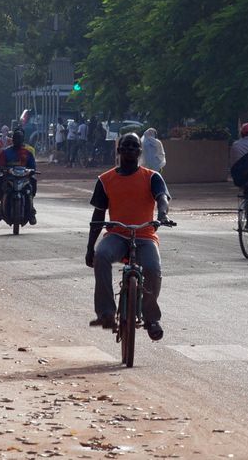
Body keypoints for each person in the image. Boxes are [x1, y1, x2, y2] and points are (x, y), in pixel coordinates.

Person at [85, 132, 171, 340]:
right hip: (117, 235)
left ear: (140, 152)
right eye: (126, 146)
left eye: (134, 146)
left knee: (152, 268)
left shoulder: (152, 177)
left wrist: (163, 214)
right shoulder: (105, 180)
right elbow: (98, 215)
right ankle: (106, 313)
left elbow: (162, 198)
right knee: (102, 256)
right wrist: (90, 248)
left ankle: (151, 318)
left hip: (145, 235)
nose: (131, 149)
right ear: (119, 150)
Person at [0, 126, 39, 223]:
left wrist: (31, 171)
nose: (18, 141)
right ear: (13, 140)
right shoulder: (6, 152)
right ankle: (1, 204)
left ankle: (31, 211)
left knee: (33, 181)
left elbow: (33, 166)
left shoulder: (28, 152)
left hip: (24, 177)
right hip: (9, 177)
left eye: (20, 139)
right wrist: (3, 169)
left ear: (23, 140)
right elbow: (0, 164)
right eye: (16, 139)